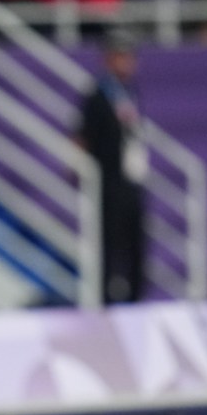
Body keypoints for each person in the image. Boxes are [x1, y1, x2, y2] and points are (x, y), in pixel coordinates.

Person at [78, 29, 147, 304]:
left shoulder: (131, 92)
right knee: (109, 245)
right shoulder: (98, 94)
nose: (129, 62)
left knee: (136, 245)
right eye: (122, 56)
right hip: (108, 183)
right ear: (109, 59)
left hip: (131, 180)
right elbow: (83, 136)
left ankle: (135, 298)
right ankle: (105, 300)